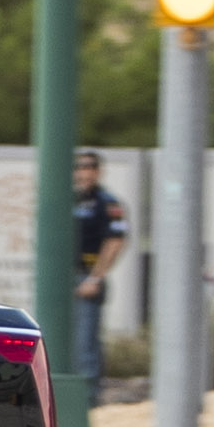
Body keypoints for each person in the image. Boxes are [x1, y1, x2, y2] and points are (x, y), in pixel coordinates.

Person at [67, 149, 132, 381]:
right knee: (62, 343)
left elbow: (115, 241)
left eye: (89, 167)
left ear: (98, 171)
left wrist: (95, 278)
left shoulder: (107, 203)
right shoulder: (66, 199)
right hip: (64, 278)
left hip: (86, 276)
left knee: (86, 345)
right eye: (80, 167)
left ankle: (88, 400)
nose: (84, 173)